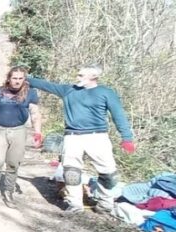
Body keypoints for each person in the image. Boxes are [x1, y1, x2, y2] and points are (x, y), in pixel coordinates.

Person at [28, 64, 136, 215]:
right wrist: (26, 79)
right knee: (71, 171)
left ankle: (105, 203)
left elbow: (118, 115)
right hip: (73, 137)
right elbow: (47, 85)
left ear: (93, 76)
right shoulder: (69, 90)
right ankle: (75, 204)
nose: (77, 77)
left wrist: (127, 138)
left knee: (108, 172)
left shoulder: (106, 92)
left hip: (97, 137)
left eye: (81, 75)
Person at [0, 66, 42, 208]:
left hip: (19, 131)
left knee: (13, 163)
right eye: (14, 78)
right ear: (9, 78)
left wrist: (37, 132)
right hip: (0, 130)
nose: (17, 81)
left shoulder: (31, 93)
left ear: (24, 79)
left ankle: (8, 192)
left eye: (20, 78)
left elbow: (35, 114)